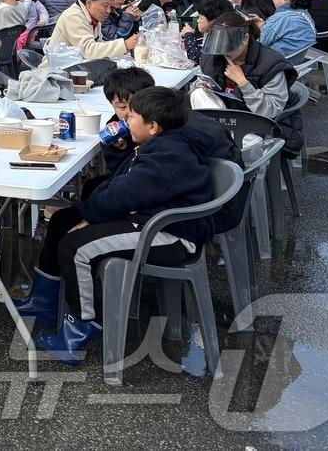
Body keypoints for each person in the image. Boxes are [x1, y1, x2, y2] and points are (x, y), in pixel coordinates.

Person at [29, 87, 221, 364]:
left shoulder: (170, 155)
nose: (125, 121)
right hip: (147, 217)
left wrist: (91, 215)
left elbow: (124, 193)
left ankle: (78, 332)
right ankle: (44, 301)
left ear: (153, 126)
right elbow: (122, 180)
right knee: (62, 220)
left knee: (75, 247)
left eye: (131, 117)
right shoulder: (161, 144)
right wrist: (88, 211)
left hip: (169, 234)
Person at [193, 13, 295, 119]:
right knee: (198, 93)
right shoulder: (213, 57)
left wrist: (244, 84)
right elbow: (198, 90)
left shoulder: (270, 65)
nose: (223, 53)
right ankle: (219, 133)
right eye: (219, 47)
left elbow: (272, 110)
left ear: (245, 39)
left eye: (229, 48)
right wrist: (200, 84)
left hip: (252, 121)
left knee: (249, 136)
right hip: (223, 115)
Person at [49, 0, 141, 61]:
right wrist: (124, 45)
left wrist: (125, 48)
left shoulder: (93, 16)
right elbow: (88, 50)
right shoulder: (74, 16)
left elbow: (99, 44)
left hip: (78, 65)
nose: (108, 11)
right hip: (59, 69)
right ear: (89, 3)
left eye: (110, 6)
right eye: (105, 6)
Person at [252, 0, 317, 59]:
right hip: (295, 63)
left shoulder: (281, 19)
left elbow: (259, 46)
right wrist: (264, 26)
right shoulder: (305, 14)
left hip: (275, 65)